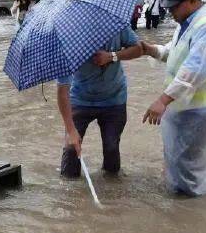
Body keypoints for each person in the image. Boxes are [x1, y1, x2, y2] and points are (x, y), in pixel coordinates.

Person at [140, 0, 206, 196]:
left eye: (174, 7)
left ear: (191, 1)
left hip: (200, 111)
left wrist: (163, 100)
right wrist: (152, 49)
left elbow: (195, 69)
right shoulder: (189, 22)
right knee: (181, 163)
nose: (170, 12)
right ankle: (183, 206)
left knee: (190, 168)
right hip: (186, 107)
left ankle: (189, 214)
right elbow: (177, 52)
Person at [57, 27, 145, 178]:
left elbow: (139, 49)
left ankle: (113, 190)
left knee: (111, 147)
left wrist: (112, 56)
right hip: (80, 99)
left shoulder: (116, 25)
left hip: (114, 98)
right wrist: (71, 131)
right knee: (71, 149)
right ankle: (69, 194)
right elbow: (62, 92)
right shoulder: (67, 40)